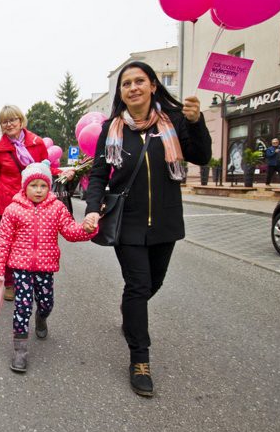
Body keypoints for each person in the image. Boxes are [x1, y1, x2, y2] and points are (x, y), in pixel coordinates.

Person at [83, 61, 211, 397]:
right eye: (127, 83)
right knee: (138, 286)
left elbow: (202, 155)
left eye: (140, 81)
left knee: (154, 282)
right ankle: (140, 358)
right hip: (128, 222)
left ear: (153, 86)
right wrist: (92, 209)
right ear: (121, 92)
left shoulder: (176, 120)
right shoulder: (112, 129)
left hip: (166, 220)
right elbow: (98, 175)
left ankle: (130, 312)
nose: (133, 88)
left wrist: (197, 124)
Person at [0, 161, 97, 373]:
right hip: (21, 267)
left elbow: (69, 231)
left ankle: (42, 317)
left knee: (46, 302)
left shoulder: (57, 208)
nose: (38, 190)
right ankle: (20, 351)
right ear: (24, 187)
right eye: (33, 185)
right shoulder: (13, 210)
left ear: (49, 187)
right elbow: (3, 240)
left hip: (45, 267)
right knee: (23, 306)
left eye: (43, 186)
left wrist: (86, 229)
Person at [0, 105, 74, 300]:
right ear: (1, 126)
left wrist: (63, 172)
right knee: (9, 245)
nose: (9, 124)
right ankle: (11, 283)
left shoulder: (36, 143)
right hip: (8, 205)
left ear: (21, 121)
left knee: (28, 244)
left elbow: (45, 169)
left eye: (13, 119)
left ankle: (32, 278)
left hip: (34, 204)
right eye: (5, 121)